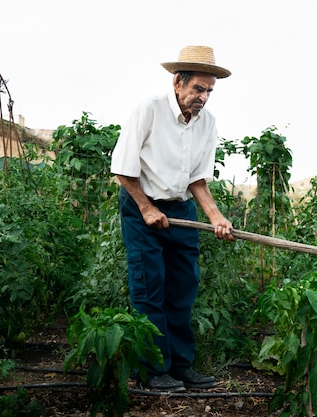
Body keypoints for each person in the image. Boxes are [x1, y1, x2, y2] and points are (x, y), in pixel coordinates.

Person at [110, 45, 235, 392]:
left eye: (210, 90)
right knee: (149, 289)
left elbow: (197, 179)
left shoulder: (206, 122)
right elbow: (123, 169)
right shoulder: (149, 110)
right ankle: (151, 371)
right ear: (178, 82)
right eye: (199, 88)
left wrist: (216, 216)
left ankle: (181, 367)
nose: (204, 97)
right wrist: (148, 209)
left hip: (181, 210)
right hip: (141, 205)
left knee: (182, 289)